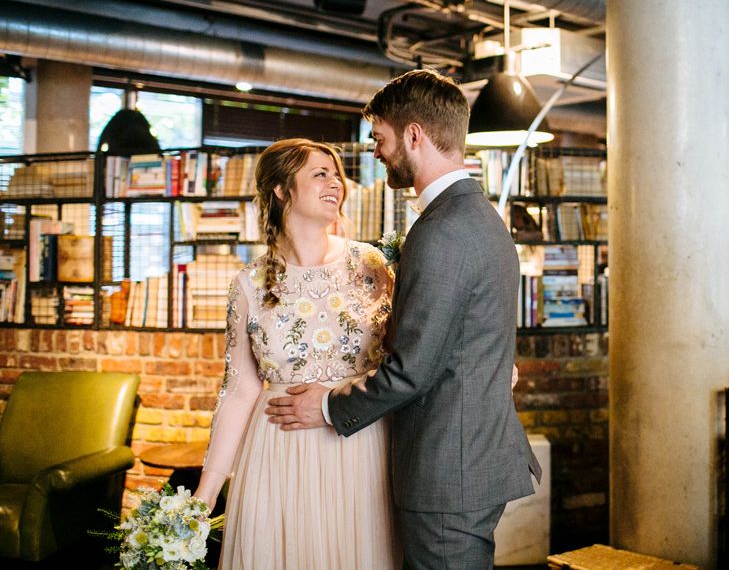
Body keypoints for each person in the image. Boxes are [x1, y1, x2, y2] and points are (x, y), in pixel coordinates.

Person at [266, 69, 542, 569]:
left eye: (380, 138)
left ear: (413, 135)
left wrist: (327, 406)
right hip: (468, 454)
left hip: (448, 469)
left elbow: (413, 369)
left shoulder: (442, 231)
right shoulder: (478, 217)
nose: (374, 152)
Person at [193, 138, 402, 569]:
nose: (335, 184)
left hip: (361, 443)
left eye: (336, 174)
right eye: (319, 173)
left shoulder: (372, 265)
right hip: (278, 452)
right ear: (282, 190)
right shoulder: (249, 284)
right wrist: (206, 491)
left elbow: (410, 354)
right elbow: (239, 389)